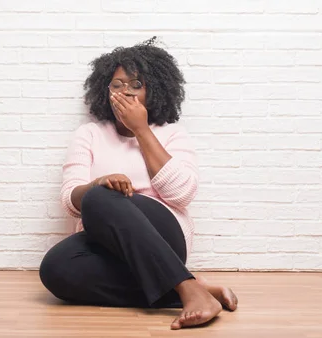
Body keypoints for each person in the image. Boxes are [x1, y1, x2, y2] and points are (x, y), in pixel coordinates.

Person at [38, 38, 238, 330]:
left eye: (135, 85)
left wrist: (141, 130)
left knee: (99, 198)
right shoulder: (89, 134)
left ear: (153, 90)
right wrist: (98, 183)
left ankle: (187, 289)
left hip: (165, 235)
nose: (125, 92)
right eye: (117, 85)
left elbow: (182, 194)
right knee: (55, 269)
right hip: (107, 242)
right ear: (104, 90)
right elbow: (70, 200)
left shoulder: (171, 134)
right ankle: (192, 289)